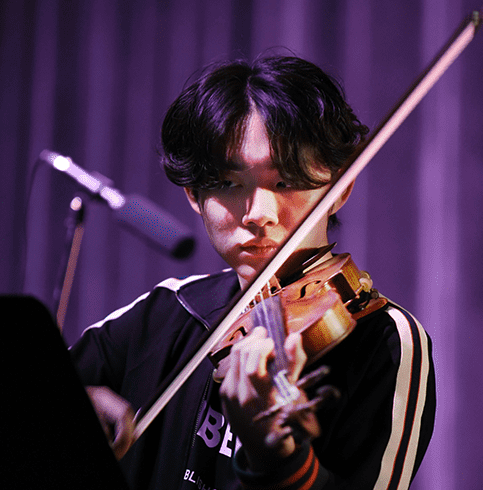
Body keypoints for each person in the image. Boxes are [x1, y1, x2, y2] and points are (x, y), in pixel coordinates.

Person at [72, 56, 435, 489]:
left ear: (341, 188)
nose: (258, 214)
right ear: (194, 194)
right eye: (227, 183)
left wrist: (279, 458)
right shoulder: (171, 308)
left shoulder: (383, 340)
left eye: (285, 182)